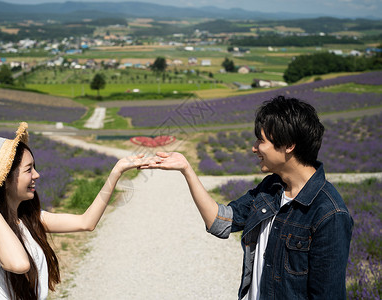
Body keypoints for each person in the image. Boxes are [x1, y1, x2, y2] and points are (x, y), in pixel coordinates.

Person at [149, 96, 353, 299]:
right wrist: (187, 169)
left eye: (261, 140)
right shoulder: (271, 188)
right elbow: (219, 222)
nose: (254, 148)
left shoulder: (329, 214)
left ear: (289, 145)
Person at [0, 122, 157, 300]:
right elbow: (18, 264)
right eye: (29, 169)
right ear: (5, 181)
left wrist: (116, 172)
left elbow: (86, 223)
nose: (36, 175)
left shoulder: (29, 219)